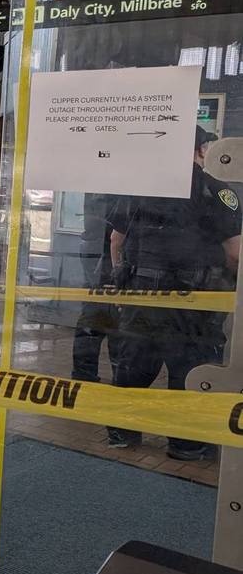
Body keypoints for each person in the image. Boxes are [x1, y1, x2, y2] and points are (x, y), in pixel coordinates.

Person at [107, 126, 241, 460]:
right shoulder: (216, 190)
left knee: (135, 361)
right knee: (189, 367)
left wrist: (123, 281)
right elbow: (236, 253)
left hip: (142, 294)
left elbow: (116, 240)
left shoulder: (142, 187)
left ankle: (122, 431)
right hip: (194, 300)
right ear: (202, 150)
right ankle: (185, 445)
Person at [71, 194, 120, 383]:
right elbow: (116, 236)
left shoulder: (98, 187)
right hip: (104, 253)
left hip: (97, 249)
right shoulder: (114, 191)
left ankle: (84, 377)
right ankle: (120, 381)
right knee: (113, 322)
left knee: (93, 321)